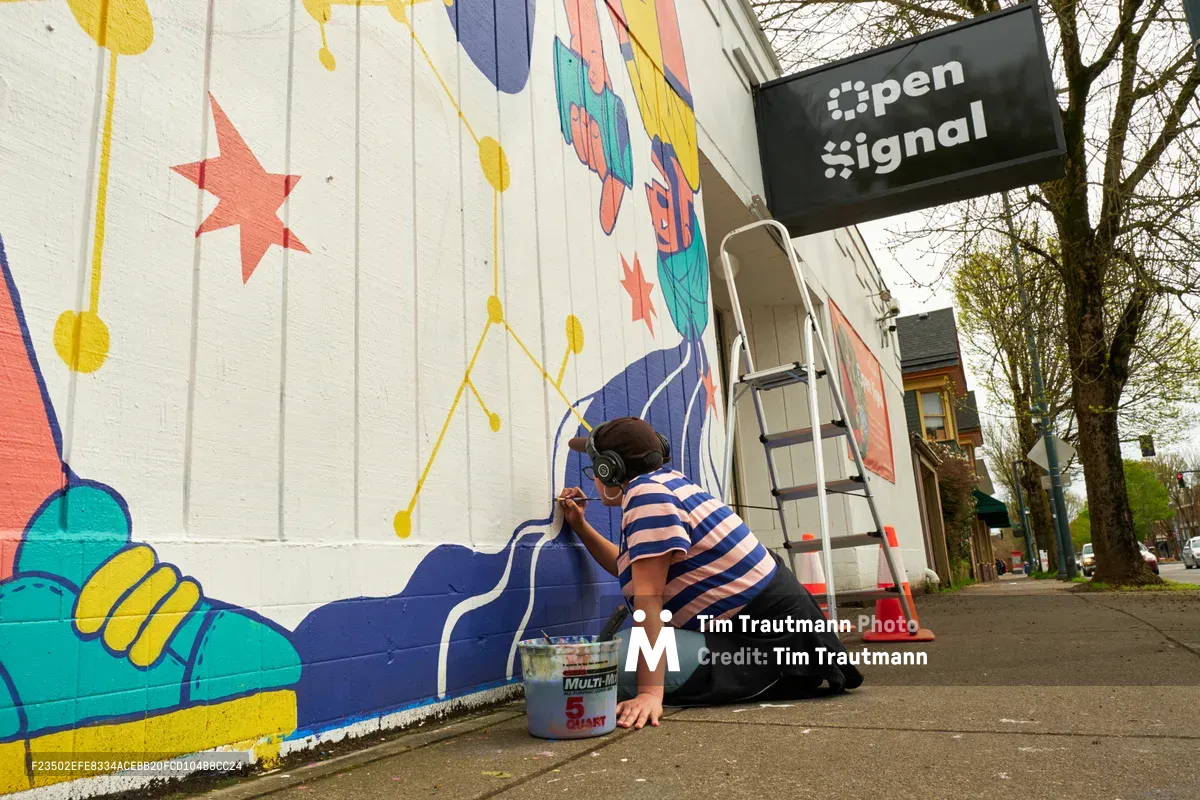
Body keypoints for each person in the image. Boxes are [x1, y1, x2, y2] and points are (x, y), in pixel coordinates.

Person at [558, 417, 863, 731]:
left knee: (600, 667)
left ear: (611, 470)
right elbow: (632, 569)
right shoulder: (667, 483)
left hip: (764, 647)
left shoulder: (646, 497)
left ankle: (773, 680)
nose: (594, 476)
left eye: (596, 468)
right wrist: (581, 526)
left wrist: (651, 694)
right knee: (610, 653)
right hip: (776, 635)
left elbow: (649, 599)